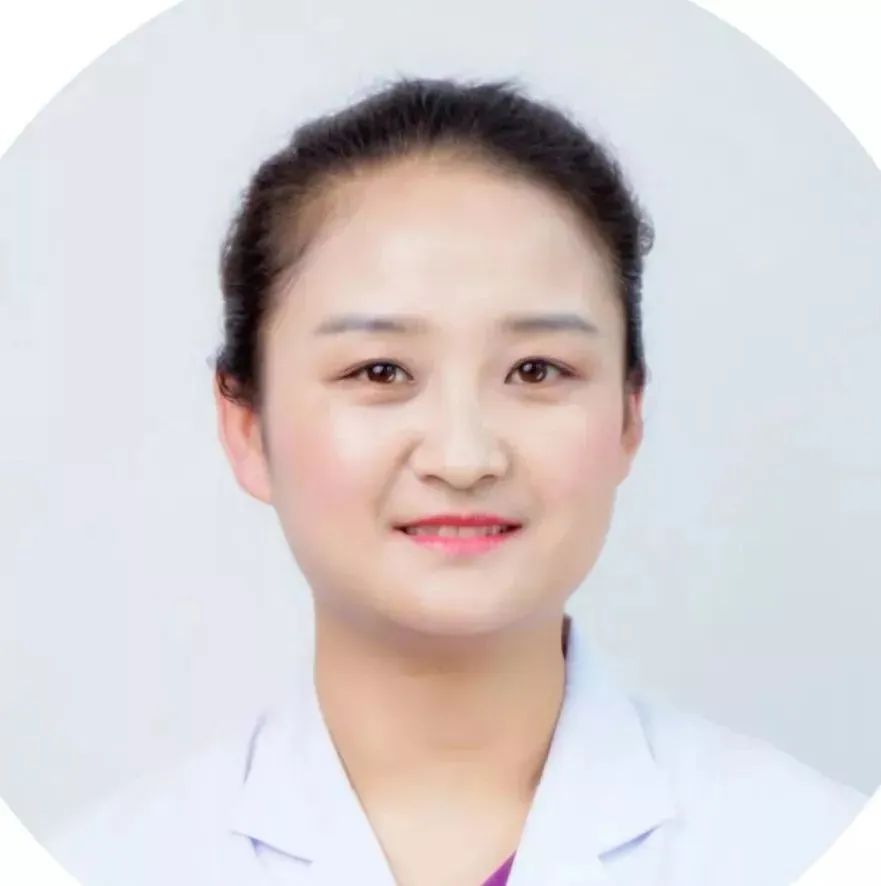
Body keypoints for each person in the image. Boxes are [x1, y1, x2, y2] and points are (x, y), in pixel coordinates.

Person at [47, 75, 866, 886]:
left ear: (627, 415)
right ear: (246, 426)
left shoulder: (807, 847)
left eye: (536, 370)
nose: (464, 456)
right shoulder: (103, 864)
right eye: (379, 370)